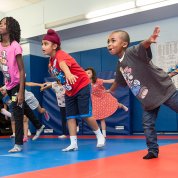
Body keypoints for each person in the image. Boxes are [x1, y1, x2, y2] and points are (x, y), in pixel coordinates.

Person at [107, 26, 178, 159]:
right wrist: (110, 91)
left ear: (124, 44)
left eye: (113, 40)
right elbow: (118, 80)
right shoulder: (120, 65)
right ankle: (152, 150)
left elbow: (141, 46)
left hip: (162, 90)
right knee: (147, 124)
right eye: (108, 42)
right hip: (148, 100)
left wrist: (149, 40)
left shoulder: (132, 52)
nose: (109, 44)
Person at [42, 29, 105, 151]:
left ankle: (100, 135)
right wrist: (51, 84)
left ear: (54, 46)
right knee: (70, 117)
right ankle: (73, 143)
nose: (42, 46)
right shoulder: (50, 62)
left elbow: (63, 65)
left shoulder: (61, 55)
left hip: (81, 86)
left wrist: (69, 74)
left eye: (46, 44)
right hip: (69, 90)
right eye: (42, 44)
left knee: (85, 115)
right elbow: (60, 78)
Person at [0, 17, 45, 152]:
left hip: (16, 85)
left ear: (10, 28)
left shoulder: (15, 46)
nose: (0, 25)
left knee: (17, 112)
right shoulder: (0, 45)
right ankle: (38, 126)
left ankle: (18, 144)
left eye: (3, 24)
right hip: (8, 85)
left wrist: (21, 91)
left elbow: (21, 69)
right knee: (22, 106)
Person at [85, 67, 128, 137]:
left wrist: (117, 80)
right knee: (101, 118)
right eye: (86, 73)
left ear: (92, 74)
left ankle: (122, 106)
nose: (87, 74)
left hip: (104, 96)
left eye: (89, 73)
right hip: (96, 100)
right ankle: (103, 134)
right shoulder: (86, 83)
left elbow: (109, 81)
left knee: (115, 104)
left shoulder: (98, 80)